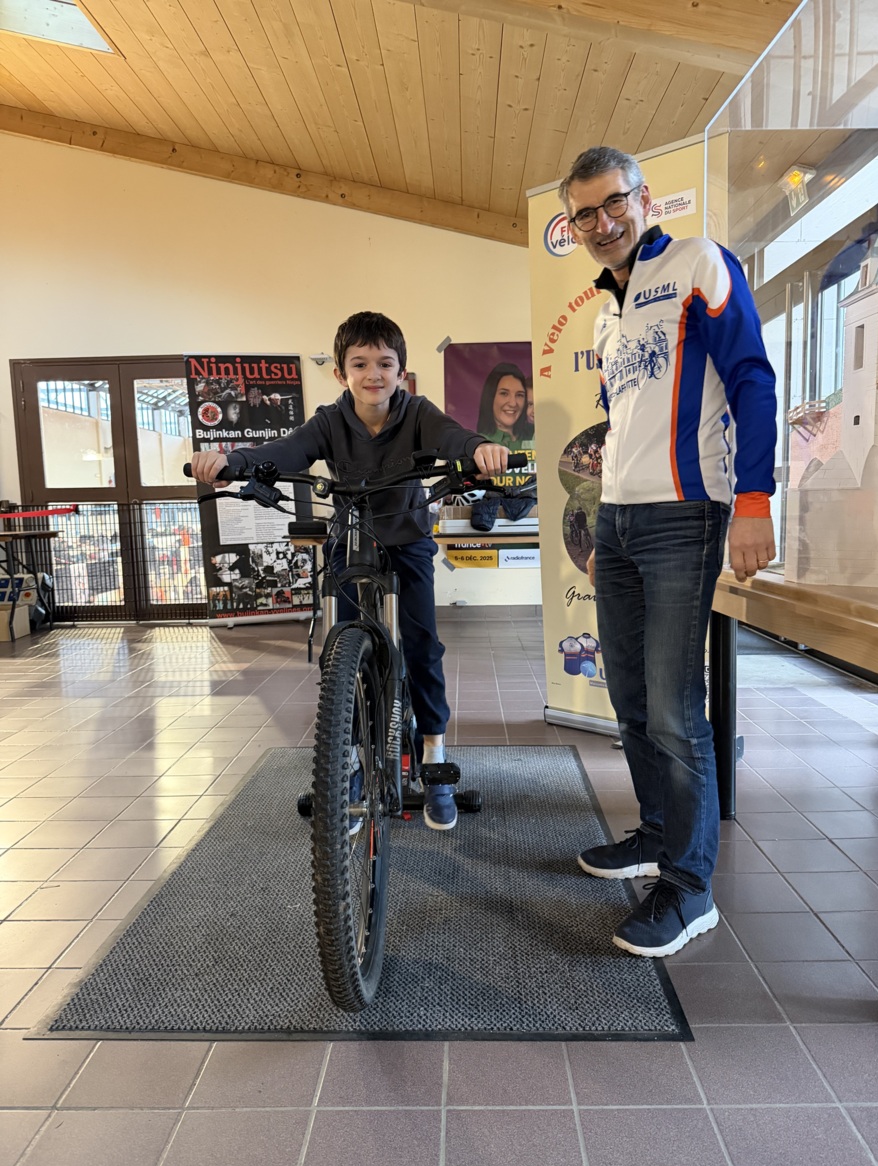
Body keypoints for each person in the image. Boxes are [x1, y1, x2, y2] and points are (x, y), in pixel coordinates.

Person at [561, 146, 777, 957]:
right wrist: (602, 522)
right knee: (629, 698)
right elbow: (623, 424)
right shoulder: (604, 313)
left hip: (687, 515)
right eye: (585, 213)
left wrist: (753, 501)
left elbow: (752, 379)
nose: (602, 222)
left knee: (677, 711)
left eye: (613, 201)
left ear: (644, 198)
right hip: (618, 523)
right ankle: (656, 834)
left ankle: (690, 890)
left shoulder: (697, 264)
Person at [191, 311, 509, 832]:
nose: (373, 374)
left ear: (401, 371)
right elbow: (287, 450)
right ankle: (356, 758)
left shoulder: (417, 413)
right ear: (341, 373)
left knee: (422, 643)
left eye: (384, 363)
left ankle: (433, 753)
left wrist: (479, 449)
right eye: (360, 364)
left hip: (407, 539)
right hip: (349, 538)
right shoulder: (330, 421)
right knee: (340, 648)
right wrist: (234, 460)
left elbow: (453, 437)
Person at [470, 362, 535, 532]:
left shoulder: (539, 434)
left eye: (520, 395)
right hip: (491, 534)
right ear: (490, 397)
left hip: (537, 531)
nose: (513, 403)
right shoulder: (475, 443)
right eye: (504, 393)